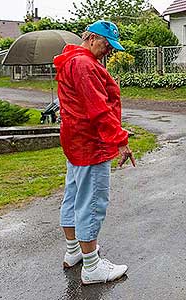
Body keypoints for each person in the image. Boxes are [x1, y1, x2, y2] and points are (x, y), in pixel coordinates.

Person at [54, 20, 136, 285]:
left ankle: (74, 252)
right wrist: (120, 140)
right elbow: (98, 109)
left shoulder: (73, 60)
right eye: (106, 44)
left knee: (74, 195)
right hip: (91, 143)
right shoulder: (85, 65)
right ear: (91, 38)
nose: (109, 51)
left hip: (76, 140)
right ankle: (92, 267)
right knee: (92, 202)